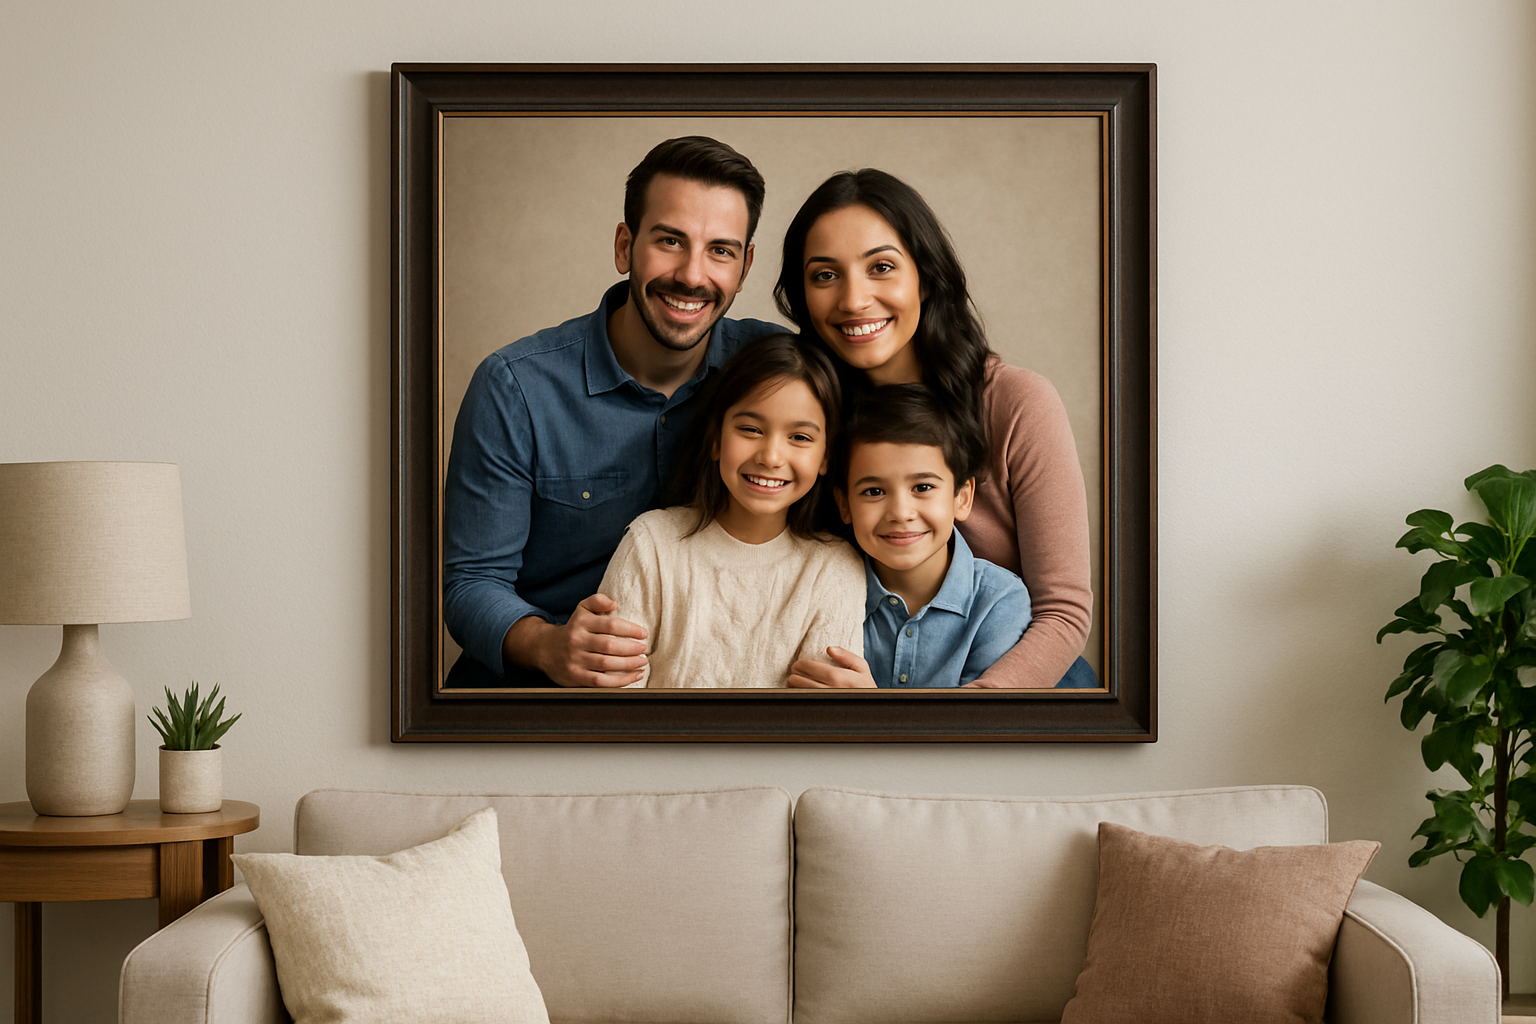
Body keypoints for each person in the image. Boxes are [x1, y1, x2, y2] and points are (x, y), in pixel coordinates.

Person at [442, 136, 781, 688]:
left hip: (698, 708)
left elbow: (902, 456)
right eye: (670, 241)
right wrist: (549, 646)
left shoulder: (776, 374)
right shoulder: (515, 386)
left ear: (744, 268)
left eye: (720, 250)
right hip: (534, 703)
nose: (693, 275)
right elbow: (471, 584)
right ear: (625, 246)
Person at [774, 168, 1098, 689]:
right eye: (825, 275)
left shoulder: (1015, 402)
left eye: (881, 267)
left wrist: (939, 726)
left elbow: (1063, 613)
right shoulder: (806, 417)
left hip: (1014, 698)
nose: (854, 299)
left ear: (925, 275)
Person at [598, 334, 864, 688]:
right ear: (714, 440)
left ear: (826, 457)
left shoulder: (834, 568)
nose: (770, 457)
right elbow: (611, 705)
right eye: (751, 429)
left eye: (800, 437)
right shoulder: (652, 543)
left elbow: (817, 720)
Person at [788, 384, 1031, 689]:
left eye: (922, 487)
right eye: (874, 492)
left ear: (962, 498)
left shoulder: (999, 601)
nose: (900, 513)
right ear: (844, 505)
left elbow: (978, 732)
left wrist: (871, 712)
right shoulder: (824, 588)